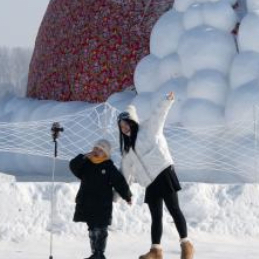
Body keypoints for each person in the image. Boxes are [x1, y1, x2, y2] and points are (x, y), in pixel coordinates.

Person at [118, 92, 194, 259]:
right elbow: (125, 174)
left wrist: (167, 100)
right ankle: (156, 250)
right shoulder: (128, 150)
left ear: (132, 122)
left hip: (164, 173)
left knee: (174, 209)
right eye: (121, 126)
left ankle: (186, 244)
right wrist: (124, 193)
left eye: (126, 124)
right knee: (156, 216)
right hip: (150, 182)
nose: (124, 128)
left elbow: (158, 114)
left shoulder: (148, 130)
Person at [70, 138, 133, 259]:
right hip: (87, 202)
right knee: (92, 230)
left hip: (102, 204)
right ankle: (95, 254)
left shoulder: (108, 166)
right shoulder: (86, 164)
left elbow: (119, 182)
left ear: (106, 153)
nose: (97, 151)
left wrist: (127, 195)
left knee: (101, 230)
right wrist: (83, 157)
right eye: (95, 148)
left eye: (101, 149)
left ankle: (100, 254)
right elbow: (73, 166)